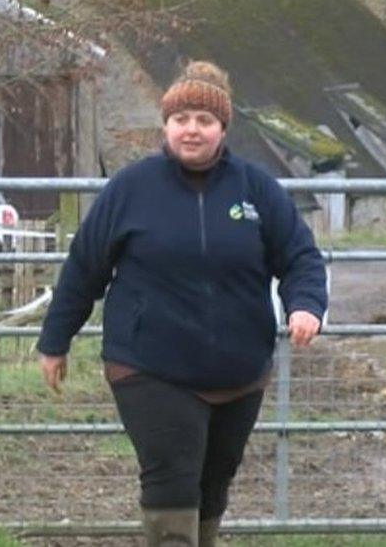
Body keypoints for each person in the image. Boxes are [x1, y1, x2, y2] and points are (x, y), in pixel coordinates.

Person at [36, 60, 327, 547]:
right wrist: (55, 340)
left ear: (222, 128)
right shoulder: (131, 189)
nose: (192, 130)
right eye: (181, 119)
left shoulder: (256, 190)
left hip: (240, 369)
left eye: (204, 121)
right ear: (166, 125)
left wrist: (305, 306)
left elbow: (300, 256)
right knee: (172, 478)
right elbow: (85, 268)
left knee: (213, 485)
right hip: (150, 364)